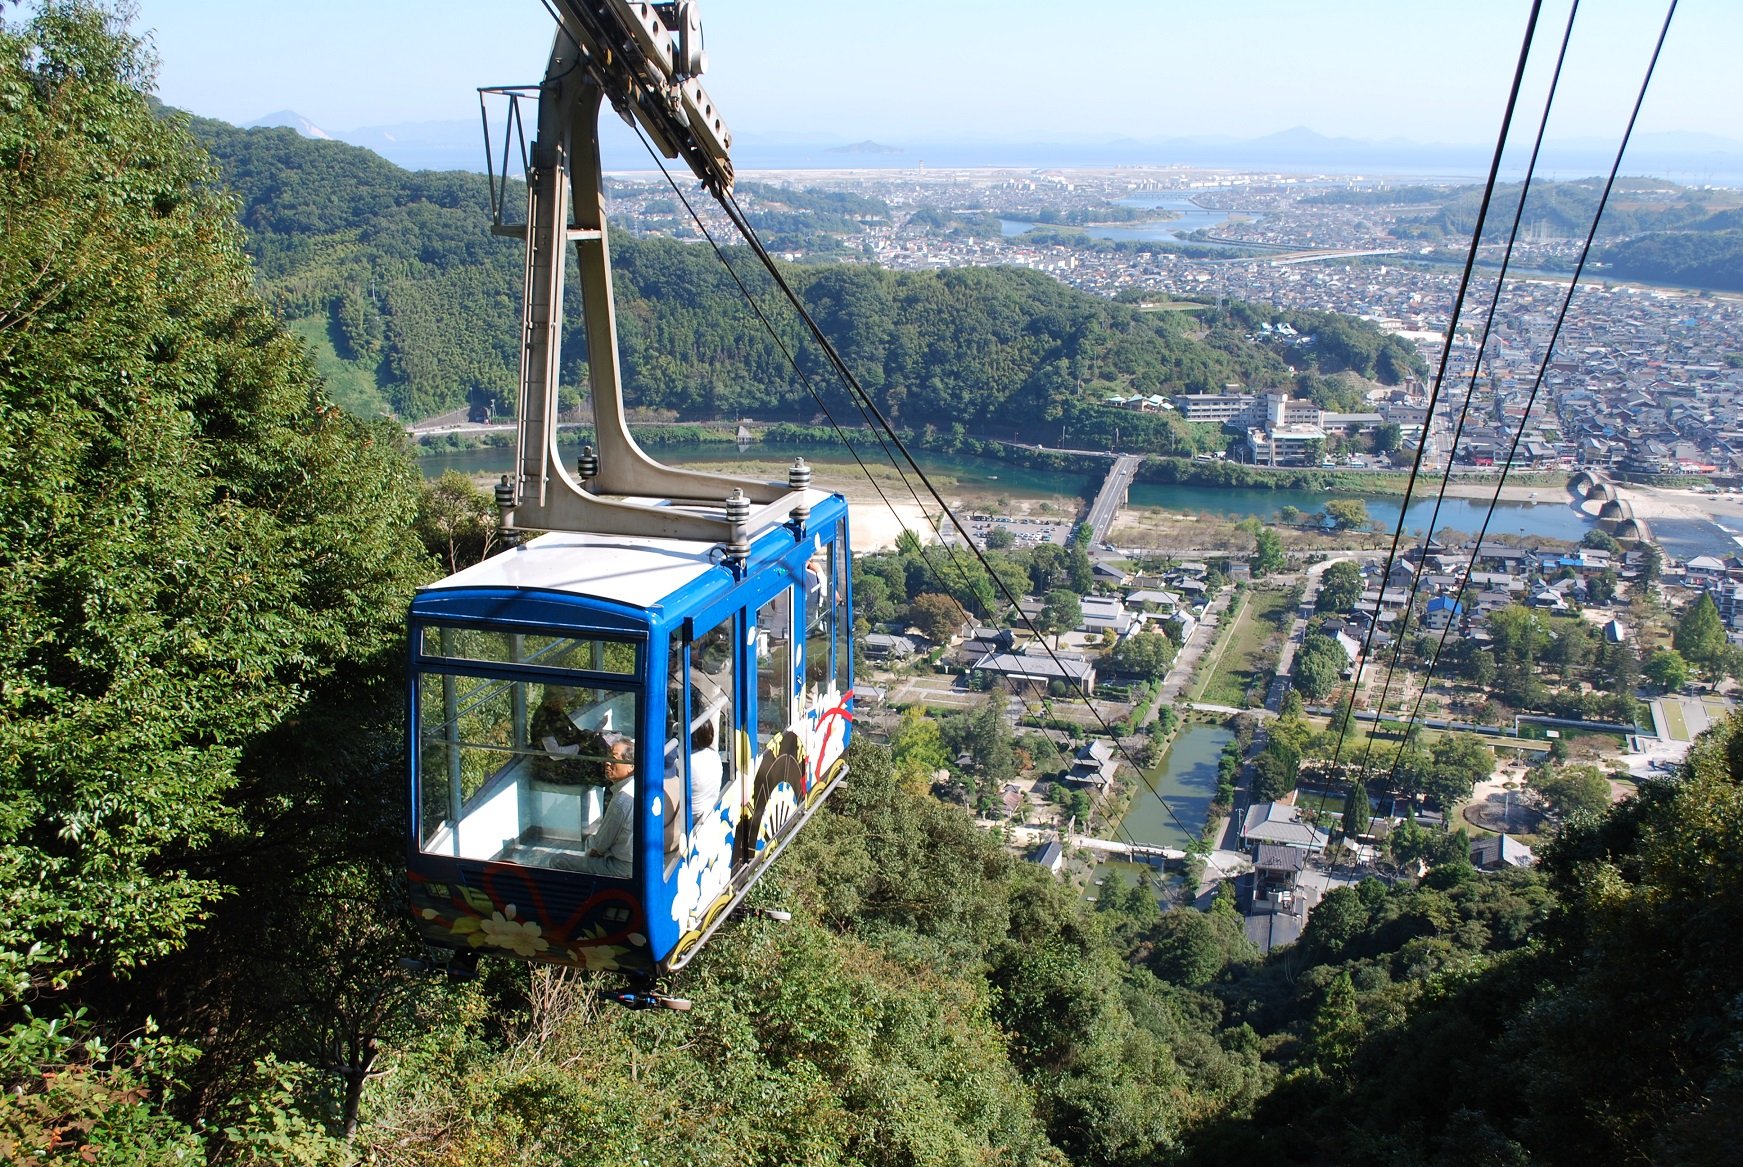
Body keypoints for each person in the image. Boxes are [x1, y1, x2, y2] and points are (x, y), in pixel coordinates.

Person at [569, 734, 635, 878]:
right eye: (607, 758)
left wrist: (591, 849)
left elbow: (599, 846)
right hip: (633, 863)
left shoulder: (622, 800)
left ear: (631, 766)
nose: (607, 763)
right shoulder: (636, 787)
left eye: (614, 759)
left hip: (621, 867)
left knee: (558, 861)